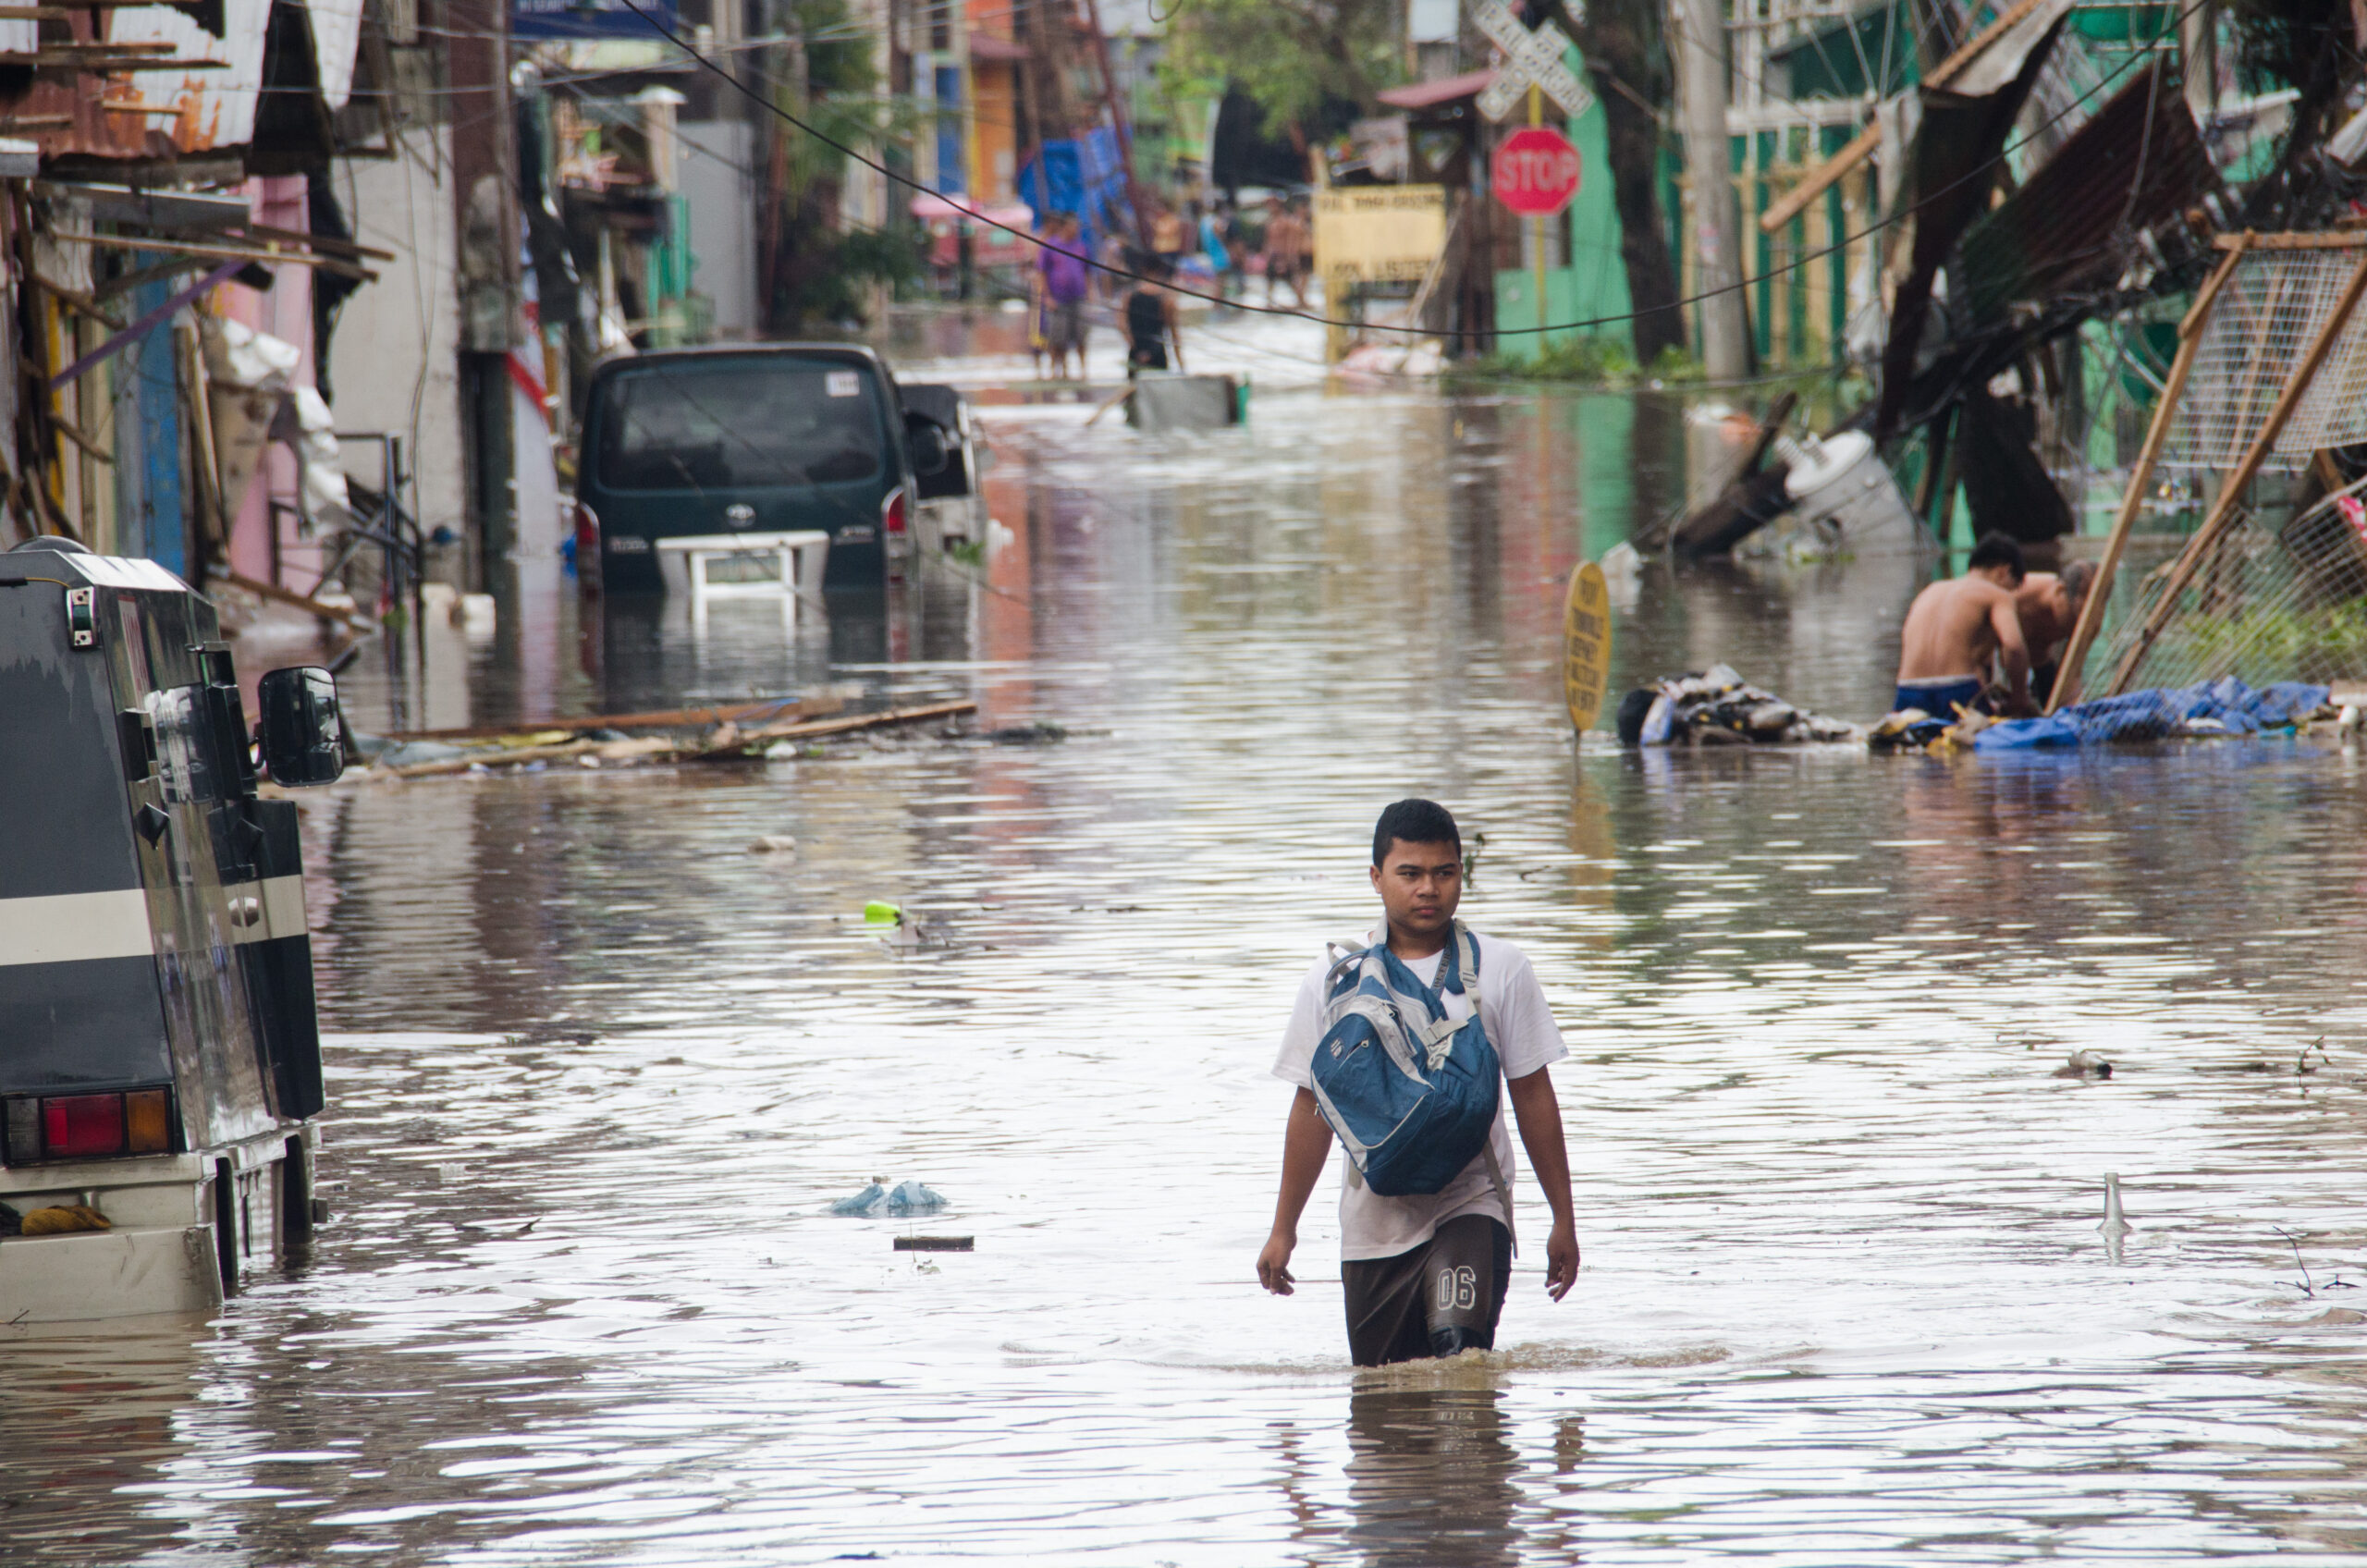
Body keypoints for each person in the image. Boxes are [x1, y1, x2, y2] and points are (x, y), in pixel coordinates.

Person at [1258, 799, 1579, 1367]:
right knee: (1386, 1413)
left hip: (1472, 1204)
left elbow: (1533, 1095)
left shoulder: (1502, 969)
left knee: (1461, 1368)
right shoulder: (1335, 982)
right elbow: (1313, 1108)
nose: (1428, 889)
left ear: (1462, 875)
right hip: (1372, 1226)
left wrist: (1563, 1219)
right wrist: (1283, 1229)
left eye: (1444, 872)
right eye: (1409, 874)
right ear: (1377, 878)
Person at [1895, 532, 2034, 718]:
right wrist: (2019, 697)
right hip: (1956, 690)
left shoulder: (1931, 590)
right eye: (2012, 586)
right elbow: (2014, 646)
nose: (2010, 593)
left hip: (1908, 689)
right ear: (2003, 571)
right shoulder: (1996, 595)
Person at [2014, 559, 2097, 707]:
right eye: (2074, 615)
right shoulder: (2019, 593)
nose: (2077, 625)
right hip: (1996, 658)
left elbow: (2074, 669)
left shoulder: (2090, 621)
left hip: (2040, 661)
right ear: (2060, 591)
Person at [1035, 213, 1091, 381]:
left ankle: (1082, 369)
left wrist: (1090, 295)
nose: (1076, 230)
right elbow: (1042, 273)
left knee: (1081, 335)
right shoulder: (1051, 246)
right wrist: (1047, 297)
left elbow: (1087, 271)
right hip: (1057, 298)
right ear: (1065, 227)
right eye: (1073, 226)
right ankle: (1057, 370)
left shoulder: (1081, 247)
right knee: (1058, 337)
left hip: (1078, 297)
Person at [1123, 260, 1184, 377]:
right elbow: (1174, 333)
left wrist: (1136, 349)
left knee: (1135, 392)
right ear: (1161, 271)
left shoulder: (1129, 295)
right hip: (1158, 354)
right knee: (1159, 393)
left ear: (1142, 270)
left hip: (1135, 354)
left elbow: (1122, 326)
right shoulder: (1167, 299)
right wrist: (1181, 366)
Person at [1263, 195, 1308, 309]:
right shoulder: (1270, 221)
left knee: (1290, 280)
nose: (1271, 207)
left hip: (1283, 255)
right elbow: (1268, 240)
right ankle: (1269, 302)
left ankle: (1301, 301)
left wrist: (1289, 258)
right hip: (1273, 255)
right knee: (1270, 280)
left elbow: (1291, 241)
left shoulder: (1286, 221)